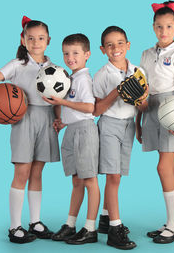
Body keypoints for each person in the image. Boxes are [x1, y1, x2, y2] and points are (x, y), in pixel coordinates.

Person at [0, 16, 60, 244]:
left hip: (46, 119)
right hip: (23, 118)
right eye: (31, 38)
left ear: (48, 40)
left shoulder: (53, 67)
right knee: (22, 172)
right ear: (23, 39)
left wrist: (58, 119)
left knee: (37, 172)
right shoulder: (17, 64)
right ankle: (14, 226)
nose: (36, 42)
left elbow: (57, 98)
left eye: (41, 38)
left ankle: (34, 222)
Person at [136, 0, 174, 244]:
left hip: (172, 109)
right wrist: (138, 119)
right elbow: (142, 90)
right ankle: (172, 223)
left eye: (169, 26)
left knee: (164, 166)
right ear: (153, 27)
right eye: (159, 27)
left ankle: (173, 226)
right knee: (170, 167)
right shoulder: (146, 54)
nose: (164, 32)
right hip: (150, 108)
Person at [42, 33, 100, 245]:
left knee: (90, 180)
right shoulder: (69, 78)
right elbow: (76, 109)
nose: (70, 57)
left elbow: (89, 108)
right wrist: (63, 121)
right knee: (76, 180)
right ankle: (71, 224)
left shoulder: (83, 78)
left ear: (87, 55)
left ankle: (90, 228)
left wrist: (62, 104)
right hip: (72, 130)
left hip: (85, 131)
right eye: (66, 53)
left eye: (75, 53)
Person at [92, 26, 137, 250]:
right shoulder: (101, 75)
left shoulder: (138, 71)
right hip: (109, 125)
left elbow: (143, 104)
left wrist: (139, 126)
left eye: (120, 43)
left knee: (119, 176)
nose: (115, 48)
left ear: (128, 45)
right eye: (109, 45)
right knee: (114, 177)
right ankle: (115, 230)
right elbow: (96, 110)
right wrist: (117, 92)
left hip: (129, 126)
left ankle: (105, 217)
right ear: (103, 49)